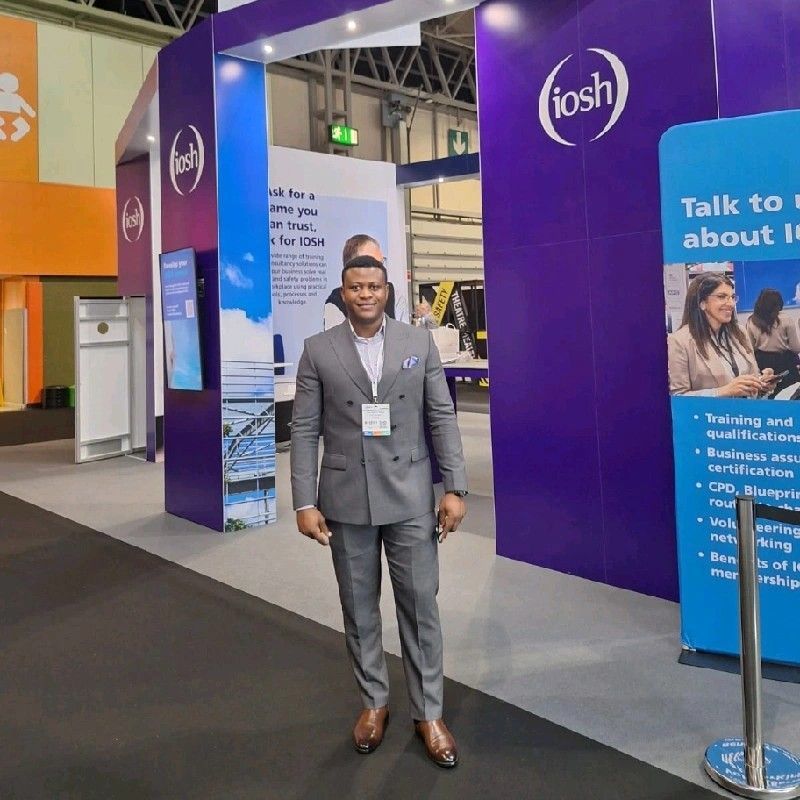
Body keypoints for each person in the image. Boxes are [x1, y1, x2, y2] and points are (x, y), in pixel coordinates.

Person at [291, 251, 468, 768]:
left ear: (386, 290)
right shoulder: (318, 350)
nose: (365, 295)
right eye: (355, 287)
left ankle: (429, 713)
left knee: (420, 608)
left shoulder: (418, 343)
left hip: (411, 498)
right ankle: (374, 704)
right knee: (360, 609)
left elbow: (442, 416)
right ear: (343, 293)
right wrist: (305, 499)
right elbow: (304, 429)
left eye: (373, 286)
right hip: (345, 502)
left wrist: (454, 487)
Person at [667, 273, 776, 397]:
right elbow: (678, 396)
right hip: (711, 416)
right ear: (702, 302)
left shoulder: (739, 332)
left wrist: (761, 384)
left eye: (732, 297)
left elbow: (751, 379)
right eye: (722, 296)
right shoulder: (679, 341)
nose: (730, 303)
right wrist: (723, 391)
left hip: (745, 414)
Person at [323, 234, 408, 329]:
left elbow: (406, 338)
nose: (379, 269)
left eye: (381, 263)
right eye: (371, 264)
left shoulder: (395, 295)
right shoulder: (334, 304)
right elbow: (335, 342)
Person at [745, 289, 800, 394]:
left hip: (762, 364)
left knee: (766, 394)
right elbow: (795, 348)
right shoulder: (786, 320)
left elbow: (750, 348)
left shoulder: (751, 320)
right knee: (790, 395)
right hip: (785, 362)